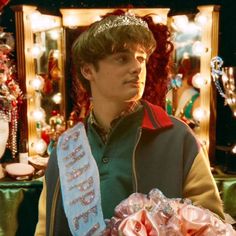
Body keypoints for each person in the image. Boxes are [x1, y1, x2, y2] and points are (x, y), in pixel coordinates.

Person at [35, 11, 224, 236]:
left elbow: (212, 226)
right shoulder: (65, 148)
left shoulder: (177, 138)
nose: (136, 67)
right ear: (88, 70)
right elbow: (46, 229)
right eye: (122, 58)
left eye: (141, 58)